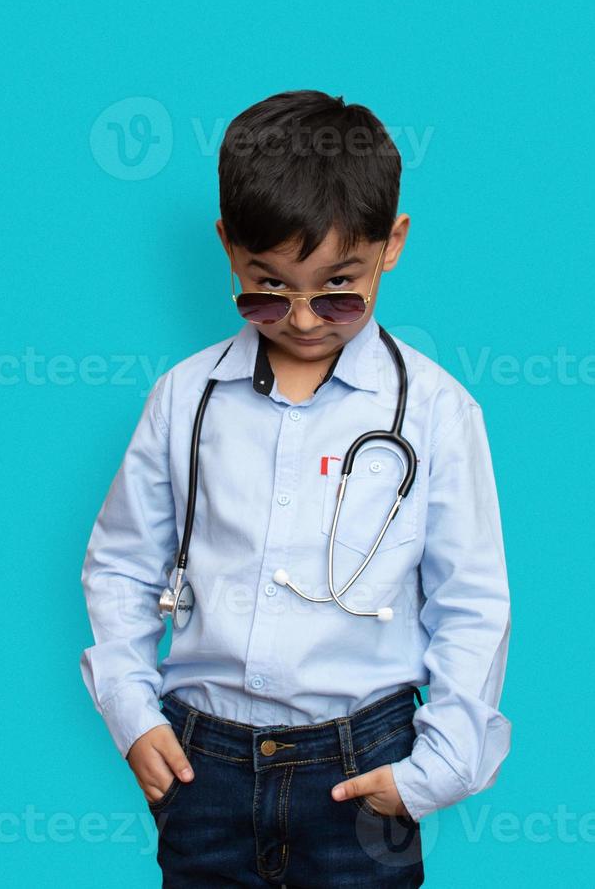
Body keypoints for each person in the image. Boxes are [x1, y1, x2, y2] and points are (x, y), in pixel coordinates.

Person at [78, 89, 511, 887]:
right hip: (202, 766)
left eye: (339, 290)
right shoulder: (184, 397)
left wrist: (438, 767)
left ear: (393, 245)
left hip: (361, 769)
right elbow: (121, 566)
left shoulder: (440, 413)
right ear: (228, 250)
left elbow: (472, 602)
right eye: (266, 289)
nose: (305, 319)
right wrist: (132, 714)